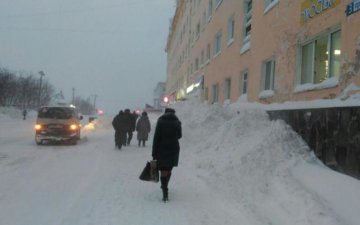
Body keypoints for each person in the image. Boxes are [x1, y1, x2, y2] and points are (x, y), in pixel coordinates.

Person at [152, 108, 182, 202]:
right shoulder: (177, 122)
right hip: (173, 148)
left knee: (163, 170)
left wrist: (154, 152)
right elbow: (179, 136)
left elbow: (156, 137)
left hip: (162, 148)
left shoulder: (160, 121)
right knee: (168, 169)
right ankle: (165, 186)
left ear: (165, 113)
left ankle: (164, 190)